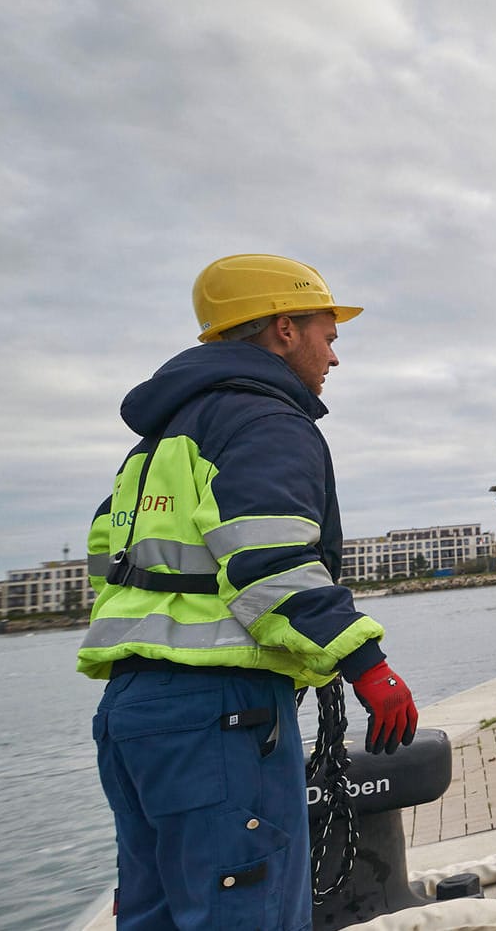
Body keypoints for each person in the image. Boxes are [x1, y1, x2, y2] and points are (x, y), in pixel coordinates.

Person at [80, 253, 419, 930]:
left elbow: (104, 563)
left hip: (132, 715)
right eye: (328, 334)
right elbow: (273, 565)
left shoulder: (157, 442)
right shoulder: (265, 421)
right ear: (285, 329)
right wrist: (368, 666)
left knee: (153, 914)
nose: (334, 356)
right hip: (219, 717)